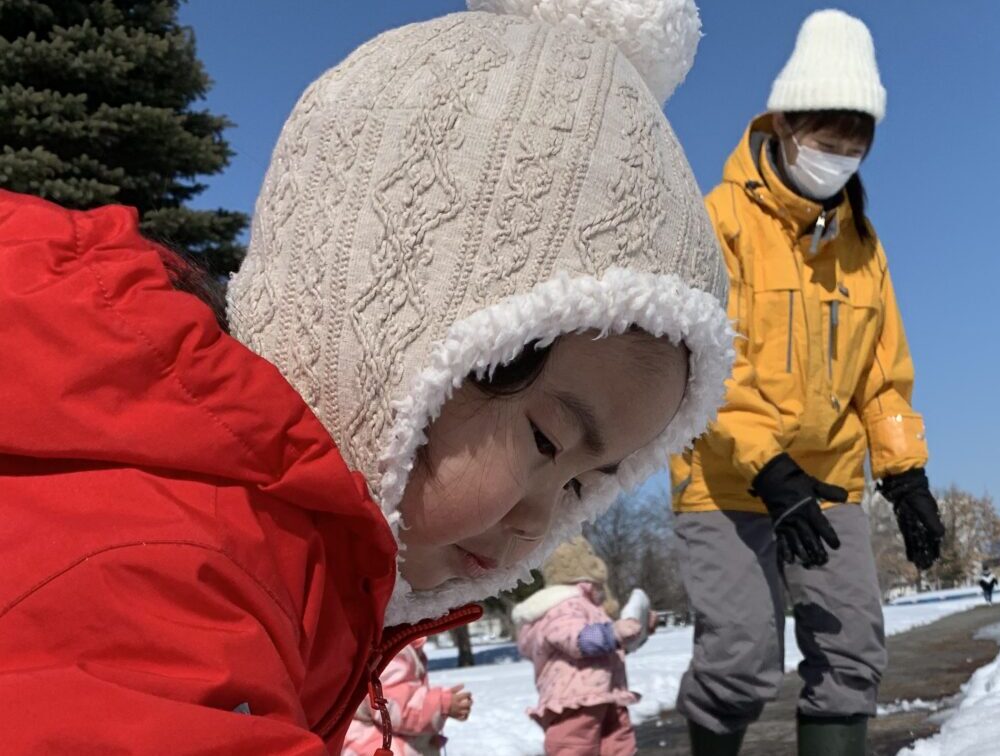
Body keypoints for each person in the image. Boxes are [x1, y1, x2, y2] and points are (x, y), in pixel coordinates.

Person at [0, 1, 734, 752]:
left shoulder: (297, 562)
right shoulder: (170, 568)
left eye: (587, 485)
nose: (541, 524)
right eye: (547, 441)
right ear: (386, 346)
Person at [668, 10, 945, 756]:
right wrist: (769, 468)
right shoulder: (719, 220)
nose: (841, 156)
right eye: (828, 139)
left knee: (853, 650)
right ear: (786, 124)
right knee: (740, 659)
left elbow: (882, 376)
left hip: (826, 480)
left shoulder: (862, 246)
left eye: (856, 143)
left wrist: (907, 474)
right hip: (726, 478)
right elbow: (707, 363)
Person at [513, 537, 658, 756]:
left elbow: (607, 648)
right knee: (574, 747)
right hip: (574, 701)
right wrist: (614, 632)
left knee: (620, 746)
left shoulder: (588, 605)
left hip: (607, 693)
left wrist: (637, 630)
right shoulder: (562, 604)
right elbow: (576, 639)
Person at [343, 637, 472, 756]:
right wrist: (442, 704)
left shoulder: (401, 643)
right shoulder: (392, 647)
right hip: (374, 747)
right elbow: (394, 707)